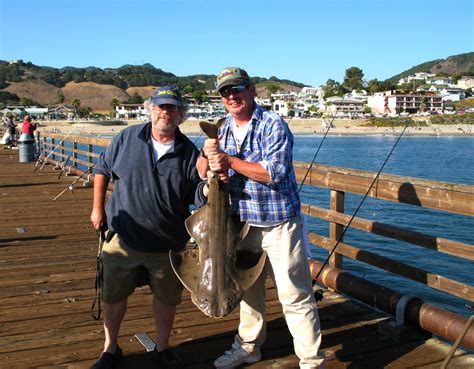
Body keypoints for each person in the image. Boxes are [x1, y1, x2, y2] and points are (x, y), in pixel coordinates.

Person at [197, 67, 325, 369]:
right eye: (225, 92)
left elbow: (274, 172)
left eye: (237, 89)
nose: (232, 96)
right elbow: (203, 171)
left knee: (294, 294)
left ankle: (311, 361)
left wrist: (229, 161)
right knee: (247, 291)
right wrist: (207, 155)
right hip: (242, 225)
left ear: (251, 90)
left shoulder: (272, 124)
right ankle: (249, 347)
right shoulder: (222, 128)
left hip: (279, 223)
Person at [90, 86, 207, 369]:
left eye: (172, 108)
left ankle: (163, 347)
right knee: (113, 295)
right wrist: (96, 209)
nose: (165, 112)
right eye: (160, 107)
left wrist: (211, 181)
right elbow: (102, 170)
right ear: (150, 110)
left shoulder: (189, 152)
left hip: (167, 242)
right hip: (122, 235)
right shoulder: (128, 137)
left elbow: (197, 195)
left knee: (166, 299)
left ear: (181, 115)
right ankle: (110, 349)